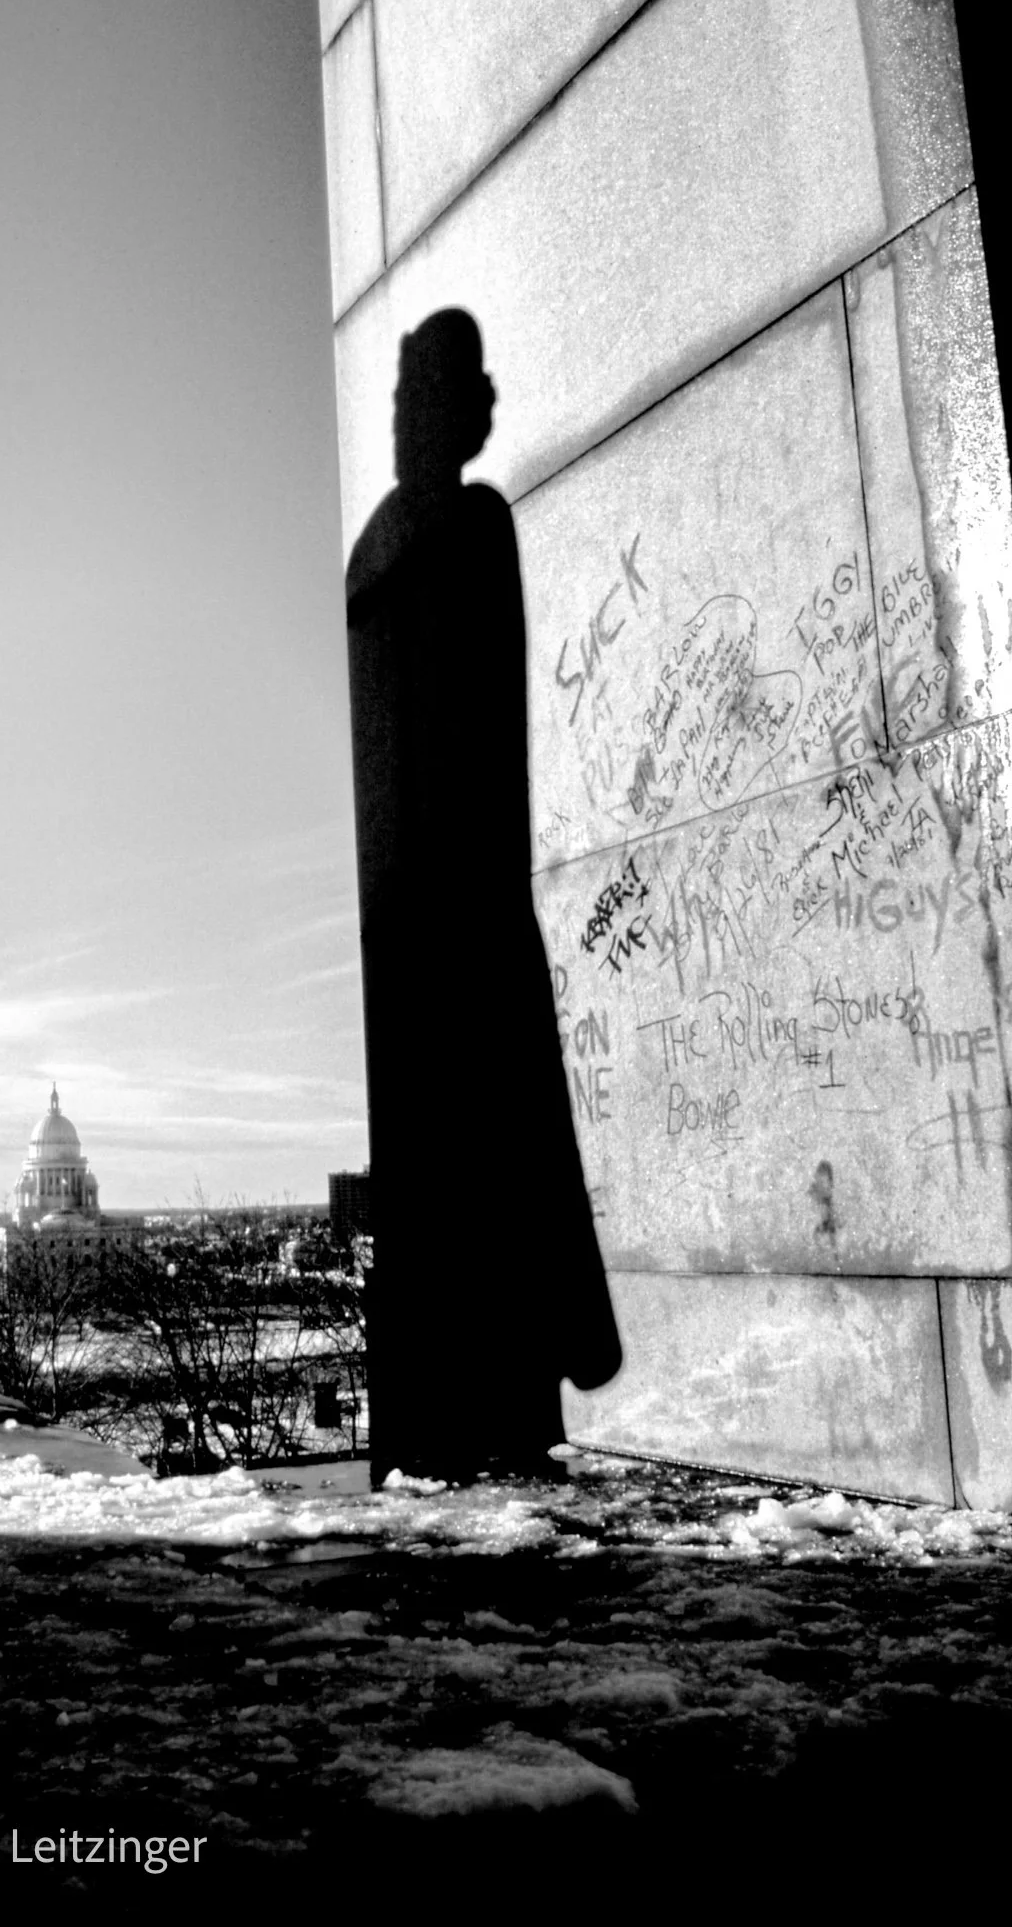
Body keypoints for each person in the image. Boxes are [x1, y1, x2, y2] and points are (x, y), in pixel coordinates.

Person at [346, 308, 620, 1483]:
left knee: (476, 1144)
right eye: (429, 392)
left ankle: (485, 1391)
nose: (441, 414)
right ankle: (490, 1388)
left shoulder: (390, 547)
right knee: (487, 1140)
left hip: (421, 906)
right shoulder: (424, 539)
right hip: (437, 901)